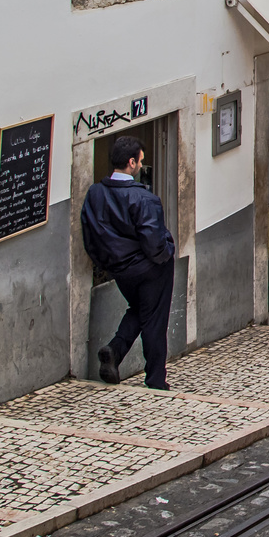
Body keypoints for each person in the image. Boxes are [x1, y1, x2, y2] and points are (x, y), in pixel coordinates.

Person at [81, 135, 176, 388]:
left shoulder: (94, 194)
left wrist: (107, 264)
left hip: (120, 270)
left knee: (140, 310)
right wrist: (168, 252)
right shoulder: (144, 199)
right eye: (141, 161)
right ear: (132, 163)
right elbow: (154, 243)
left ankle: (115, 351)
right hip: (149, 268)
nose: (141, 166)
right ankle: (156, 380)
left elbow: (90, 236)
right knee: (154, 320)